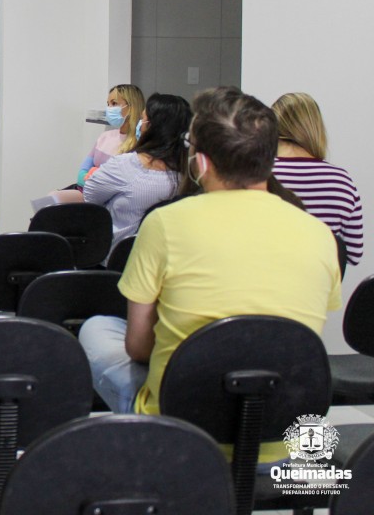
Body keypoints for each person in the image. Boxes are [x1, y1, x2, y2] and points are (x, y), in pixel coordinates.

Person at [78, 87, 341, 465]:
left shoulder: (165, 223)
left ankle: (143, 436)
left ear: (199, 163)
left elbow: (139, 348)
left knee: (97, 328)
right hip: (282, 436)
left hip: (185, 429)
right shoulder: (318, 234)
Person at [83, 93, 190, 251]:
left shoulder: (126, 165)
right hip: (169, 255)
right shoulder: (191, 172)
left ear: (151, 127)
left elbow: (90, 195)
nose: (139, 124)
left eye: (142, 119)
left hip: (119, 255)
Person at [271, 92, 363, 266]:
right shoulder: (342, 181)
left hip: (267, 279)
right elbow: (354, 254)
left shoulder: (259, 175)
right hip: (320, 282)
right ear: (316, 129)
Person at [78, 84, 145, 186]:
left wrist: (93, 176)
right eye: (108, 104)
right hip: (87, 190)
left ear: (132, 107)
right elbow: (81, 175)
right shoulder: (104, 136)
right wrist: (93, 180)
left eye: (114, 103)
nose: (109, 109)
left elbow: (124, 184)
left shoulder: (139, 143)